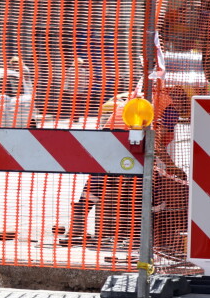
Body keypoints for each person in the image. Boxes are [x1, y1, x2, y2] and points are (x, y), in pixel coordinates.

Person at [60, 86, 189, 247]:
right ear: (183, 101)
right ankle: (144, 236)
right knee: (148, 184)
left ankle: (77, 228)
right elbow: (155, 143)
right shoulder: (170, 108)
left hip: (110, 135)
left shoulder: (144, 95)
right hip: (134, 141)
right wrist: (172, 167)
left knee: (100, 178)